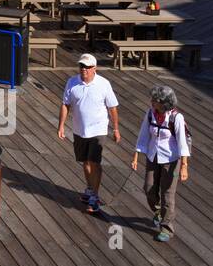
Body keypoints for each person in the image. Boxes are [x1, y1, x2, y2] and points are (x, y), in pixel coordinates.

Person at [58, 53, 120, 213]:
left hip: (98, 129)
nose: (83, 69)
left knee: (95, 162)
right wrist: (61, 126)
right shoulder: (72, 82)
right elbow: (65, 104)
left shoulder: (104, 84)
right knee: (85, 161)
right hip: (80, 130)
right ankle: (90, 189)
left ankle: (95, 196)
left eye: (87, 67)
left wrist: (116, 129)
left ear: (94, 68)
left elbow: (112, 107)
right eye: (81, 66)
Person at [130, 84, 190, 243]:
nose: (151, 101)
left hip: (171, 160)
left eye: (155, 100)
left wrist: (184, 166)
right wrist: (136, 155)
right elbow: (143, 134)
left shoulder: (176, 118)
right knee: (149, 188)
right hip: (152, 156)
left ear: (164, 102)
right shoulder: (150, 113)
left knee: (167, 194)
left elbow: (183, 143)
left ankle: (166, 228)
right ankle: (157, 212)